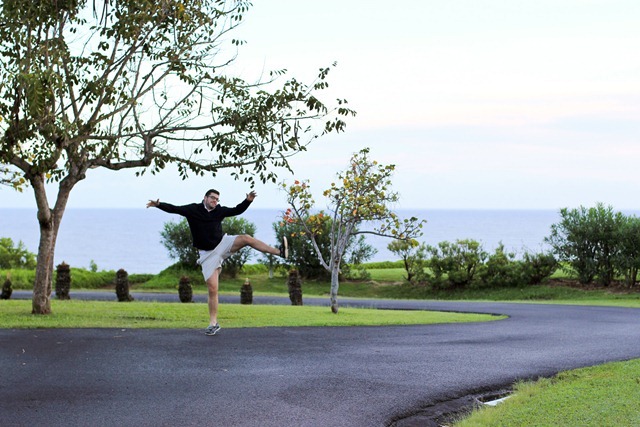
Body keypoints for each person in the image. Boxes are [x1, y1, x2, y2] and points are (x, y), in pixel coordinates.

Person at [147, 189, 288, 336]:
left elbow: (236, 210)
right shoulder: (193, 209)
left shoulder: (219, 211)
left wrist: (248, 201)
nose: (215, 201)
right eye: (213, 198)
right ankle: (213, 323)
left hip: (222, 244)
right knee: (213, 289)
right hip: (207, 255)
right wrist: (158, 205)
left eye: (217, 199)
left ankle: (279, 252)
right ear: (205, 198)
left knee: (246, 238)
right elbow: (175, 209)